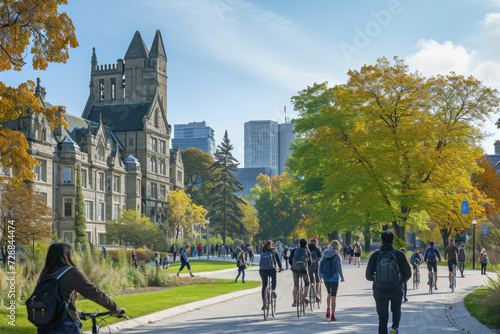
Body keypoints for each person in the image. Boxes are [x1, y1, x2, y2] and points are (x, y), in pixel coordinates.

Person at [35, 243, 125, 334]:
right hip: (65, 327)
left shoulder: (45, 273)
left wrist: (77, 312)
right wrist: (115, 309)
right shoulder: (71, 273)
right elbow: (94, 293)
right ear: (66, 255)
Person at [366, 231, 412, 334]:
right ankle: (394, 328)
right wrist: (399, 281)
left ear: (381, 242)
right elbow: (408, 274)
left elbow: (368, 276)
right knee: (396, 309)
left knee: (382, 319)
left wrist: (378, 279)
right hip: (396, 290)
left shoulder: (375, 255)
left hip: (380, 291)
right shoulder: (399, 254)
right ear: (393, 242)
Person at [320, 239, 344, 321]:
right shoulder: (337, 256)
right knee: (333, 297)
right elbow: (339, 268)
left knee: (328, 293)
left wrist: (320, 276)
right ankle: (333, 315)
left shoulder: (324, 254)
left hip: (326, 277)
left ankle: (328, 309)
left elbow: (320, 265)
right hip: (334, 278)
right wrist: (342, 277)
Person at [259, 240, 283, 310]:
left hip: (262, 270)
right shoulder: (274, 251)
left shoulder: (262, 251)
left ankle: (264, 302)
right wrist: (280, 268)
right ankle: (273, 291)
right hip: (271, 269)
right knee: (274, 279)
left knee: (264, 285)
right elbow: (278, 260)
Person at [290, 238, 312, 307]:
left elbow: (290, 261)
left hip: (295, 270)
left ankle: (294, 301)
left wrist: (293, 266)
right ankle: (305, 297)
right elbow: (310, 262)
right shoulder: (307, 251)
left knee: (296, 285)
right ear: (306, 244)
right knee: (307, 282)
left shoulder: (294, 250)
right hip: (303, 270)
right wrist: (305, 266)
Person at [308, 238, 322, 302]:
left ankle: (311, 289)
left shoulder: (307, 249)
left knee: (311, 280)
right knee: (317, 279)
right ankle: (317, 294)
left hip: (309, 266)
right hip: (316, 267)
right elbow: (320, 257)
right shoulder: (317, 249)